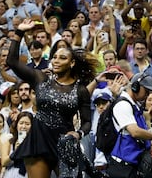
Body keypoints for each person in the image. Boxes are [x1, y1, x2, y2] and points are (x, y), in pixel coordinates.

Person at [6, 19, 98, 177]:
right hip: (38, 141)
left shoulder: (80, 90)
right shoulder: (41, 79)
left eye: (62, 58)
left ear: (72, 63)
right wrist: (19, 32)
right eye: (54, 57)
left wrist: (79, 134)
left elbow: (87, 121)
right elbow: (12, 62)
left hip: (64, 143)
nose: (56, 61)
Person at [106, 73, 152, 178]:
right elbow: (135, 132)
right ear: (136, 87)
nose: (148, 95)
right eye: (146, 90)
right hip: (122, 166)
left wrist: (150, 142)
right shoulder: (123, 104)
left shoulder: (135, 105)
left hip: (134, 165)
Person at [1, 111, 33, 178]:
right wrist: (16, 151)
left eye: (27, 124)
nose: (23, 126)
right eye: (21, 123)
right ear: (17, 125)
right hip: (12, 173)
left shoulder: (36, 143)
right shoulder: (9, 141)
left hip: (29, 173)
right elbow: (3, 162)